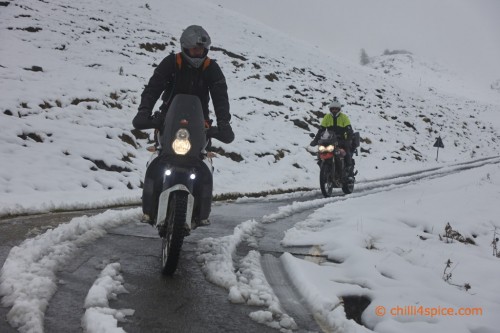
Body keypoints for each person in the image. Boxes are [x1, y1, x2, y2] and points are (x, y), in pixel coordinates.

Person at [132, 25, 234, 225]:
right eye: (195, 49)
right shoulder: (172, 63)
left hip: (199, 125)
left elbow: (221, 98)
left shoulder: (211, 68)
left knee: (204, 162)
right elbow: (153, 88)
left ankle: (201, 212)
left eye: (202, 50)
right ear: (185, 48)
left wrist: (224, 124)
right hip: (168, 122)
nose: (199, 53)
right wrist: (144, 112)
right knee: (158, 157)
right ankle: (150, 208)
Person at [310, 99, 355, 179]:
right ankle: (325, 170)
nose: (334, 110)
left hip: (342, 140)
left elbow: (349, 130)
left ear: (339, 109)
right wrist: (315, 140)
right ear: (330, 109)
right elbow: (321, 130)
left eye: (336, 109)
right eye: (333, 109)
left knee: (347, 152)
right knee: (321, 152)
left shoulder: (344, 117)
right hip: (330, 140)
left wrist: (348, 140)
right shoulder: (327, 117)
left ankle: (348, 170)